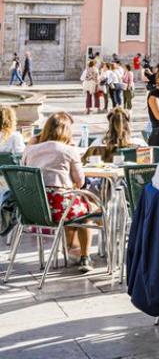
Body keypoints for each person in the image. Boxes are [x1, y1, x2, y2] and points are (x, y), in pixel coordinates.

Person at [23, 112, 99, 271]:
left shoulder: (30, 150)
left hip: (32, 208)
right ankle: (85, 257)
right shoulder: (68, 150)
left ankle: (72, 249)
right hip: (58, 208)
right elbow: (80, 182)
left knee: (71, 207)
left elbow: (23, 173)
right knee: (87, 212)